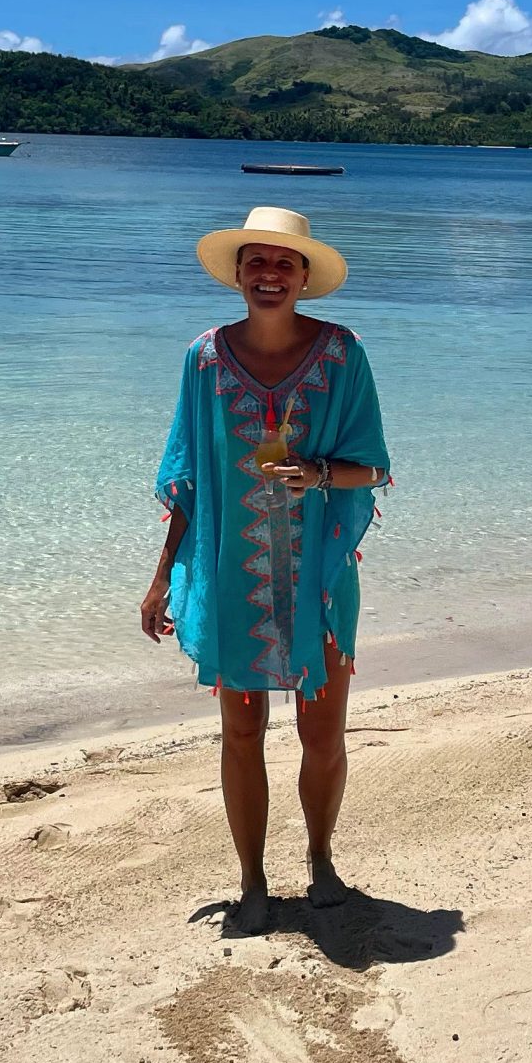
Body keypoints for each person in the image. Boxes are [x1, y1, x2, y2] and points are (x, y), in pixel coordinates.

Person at [142, 205, 391, 933]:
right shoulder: (205, 359)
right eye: (257, 261)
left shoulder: (342, 355)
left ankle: (320, 858)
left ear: (305, 277)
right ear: (240, 275)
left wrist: (316, 473)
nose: (270, 273)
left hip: (318, 580)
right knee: (241, 731)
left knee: (323, 734)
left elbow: (372, 465)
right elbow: (186, 478)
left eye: (285, 263)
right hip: (231, 579)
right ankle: (251, 880)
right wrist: (163, 578)